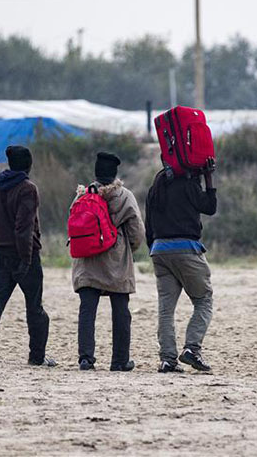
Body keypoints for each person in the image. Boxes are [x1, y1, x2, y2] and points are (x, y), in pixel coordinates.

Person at [0, 145, 55, 366]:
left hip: (1, 252)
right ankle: (37, 356)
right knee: (34, 306)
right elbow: (24, 228)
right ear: (28, 165)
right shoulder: (28, 188)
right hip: (24, 254)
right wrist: (26, 259)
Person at [71, 152, 145, 372]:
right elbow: (137, 230)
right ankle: (120, 361)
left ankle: (86, 358)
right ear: (115, 174)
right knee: (121, 310)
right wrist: (127, 249)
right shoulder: (124, 196)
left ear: (95, 172)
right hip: (116, 259)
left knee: (87, 309)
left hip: (87, 261)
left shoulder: (82, 195)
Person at [145, 161, 217, 373]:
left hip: (159, 250)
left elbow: (148, 224)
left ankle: (168, 359)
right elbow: (210, 207)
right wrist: (208, 179)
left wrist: (154, 248)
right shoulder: (188, 185)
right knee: (203, 300)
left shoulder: (156, 188)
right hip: (186, 249)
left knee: (166, 309)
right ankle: (191, 349)